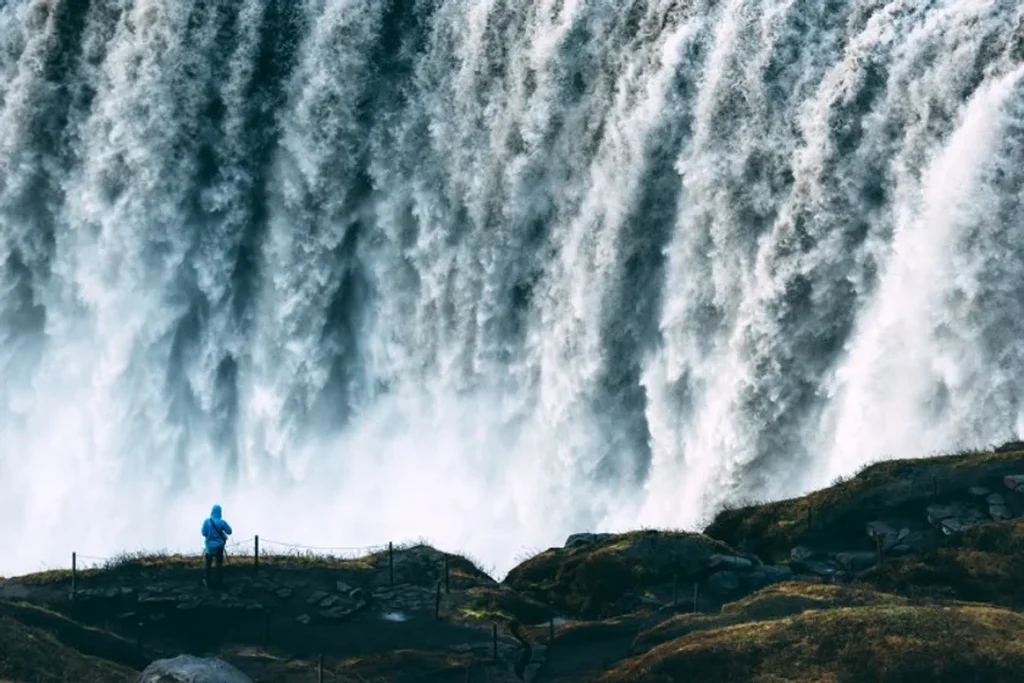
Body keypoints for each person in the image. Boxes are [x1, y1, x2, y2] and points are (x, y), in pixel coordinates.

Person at [201, 504, 233, 588]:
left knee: (208, 564)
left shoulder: (206, 521)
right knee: (219, 563)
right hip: (219, 546)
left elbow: (203, 533)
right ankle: (219, 580)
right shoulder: (222, 522)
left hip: (209, 547)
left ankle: (207, 580)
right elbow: (229, 531)